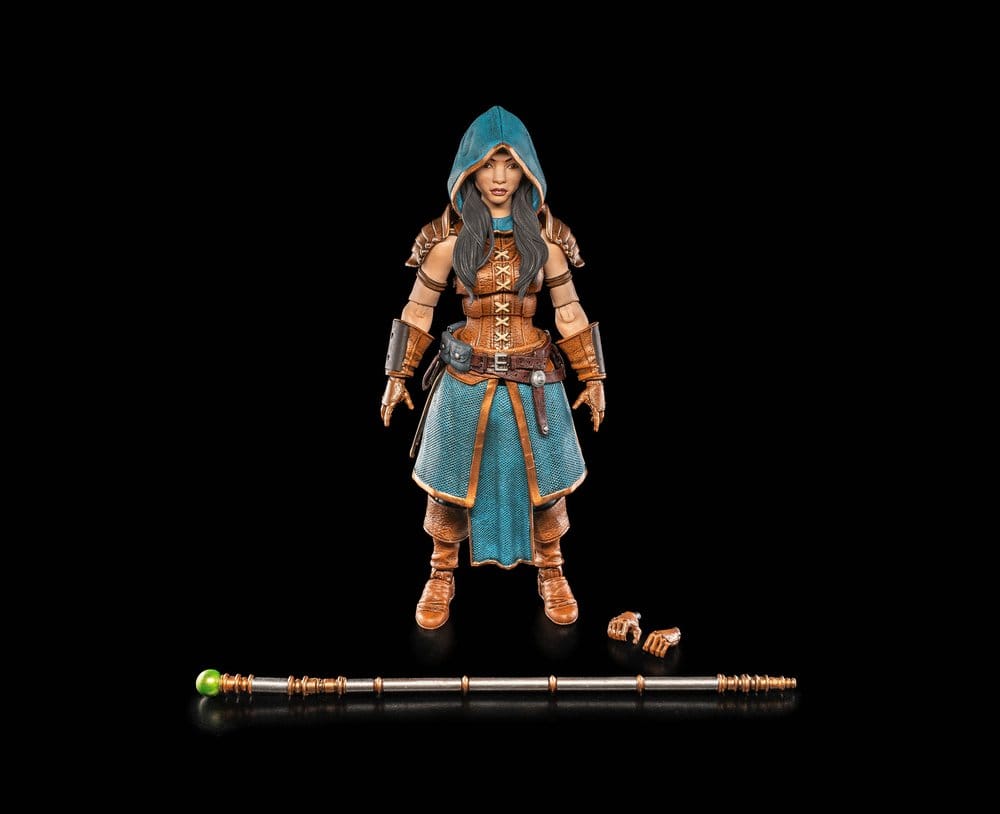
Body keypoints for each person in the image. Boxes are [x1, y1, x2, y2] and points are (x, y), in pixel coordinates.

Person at [380, 106, 606, 629]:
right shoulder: (446, 243)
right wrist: (396, 376)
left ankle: (552, 569)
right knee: (449, 480)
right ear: (469, 171)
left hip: (533, 379)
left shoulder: (547, 243)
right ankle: (440, 572)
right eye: (488, 165)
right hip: (465, 379)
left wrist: (594, 376)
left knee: (545, 481)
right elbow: (417, 309)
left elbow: (569, 311)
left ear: (527, 171)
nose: (500, 177)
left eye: (510, 165)